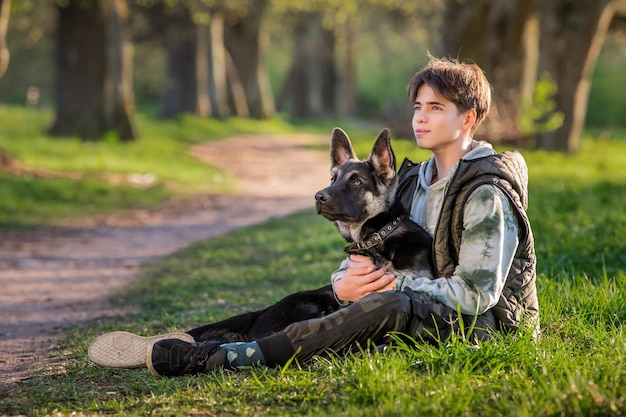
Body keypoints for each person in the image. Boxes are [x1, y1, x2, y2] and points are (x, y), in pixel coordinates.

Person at [88, 55, 539, 377]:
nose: (420, 118)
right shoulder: (412, 181)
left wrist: (391, 284)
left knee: (389, 303)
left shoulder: (485, 194)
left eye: (436, 108)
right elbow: (373, 244)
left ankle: (228, 358)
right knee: (319, 296)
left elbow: (478, 294)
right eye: (418, 106)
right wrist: (345, 279)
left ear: (469, 119)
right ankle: (193, 339)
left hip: (483, 327)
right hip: (419, 306)